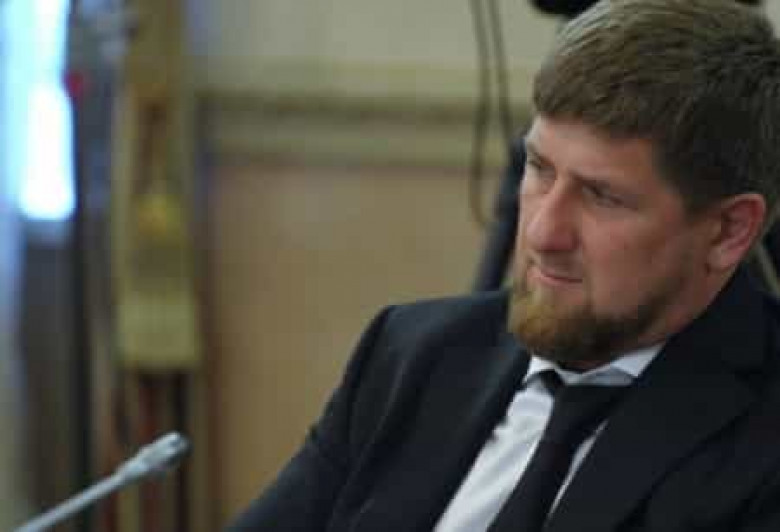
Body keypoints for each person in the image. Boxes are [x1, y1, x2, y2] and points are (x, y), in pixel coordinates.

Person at [228, 1, 780, 530]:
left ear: (729, 230)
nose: (542, 233)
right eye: (539, 169)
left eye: (602, 196)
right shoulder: (413, 354)